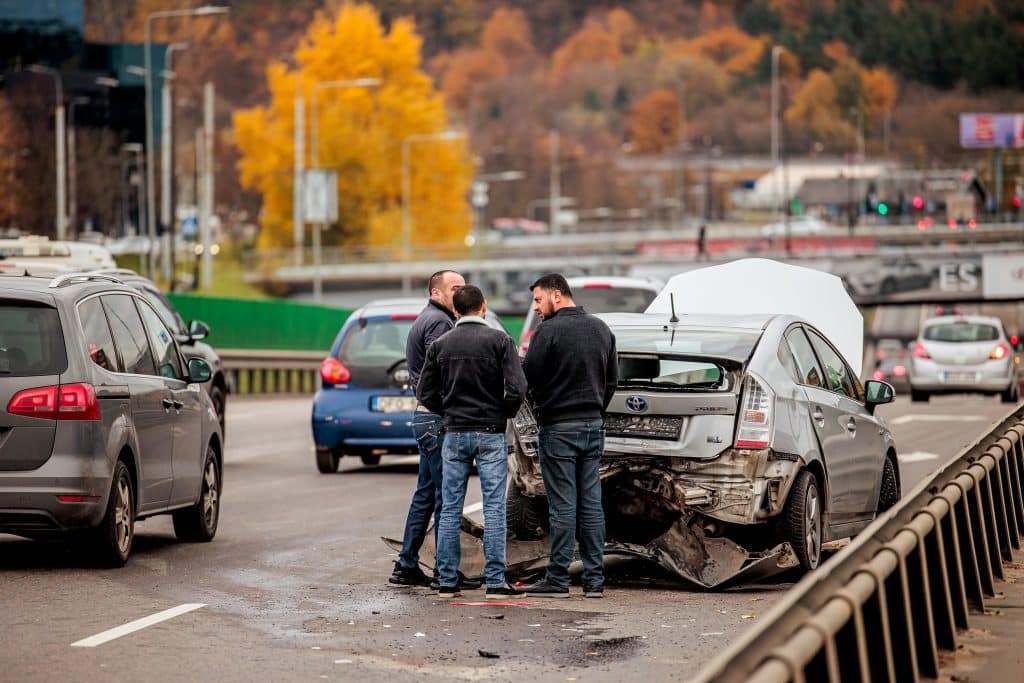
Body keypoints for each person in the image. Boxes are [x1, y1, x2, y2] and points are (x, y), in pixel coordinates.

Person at [418, 285, 528, 599]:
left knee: (450, 508)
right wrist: (502, 413)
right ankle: (495, 582)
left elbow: (425, 394)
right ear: (483, 307)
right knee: (494, 508)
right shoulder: (500, 341)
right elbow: (518, 387)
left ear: (455, 311)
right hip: (490, 433)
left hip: (453, 434)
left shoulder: (440, 344)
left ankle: (447, 581)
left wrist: (449, 412)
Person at [520, 273, 618, 599]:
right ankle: (594, 581)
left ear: (557, 296)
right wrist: (595, 410)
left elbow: (527, 378)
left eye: (538, 300)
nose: (536, 308)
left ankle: (558, 579)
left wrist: (542, 406)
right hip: (592, 426)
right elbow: (612, 381)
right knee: (591, 505)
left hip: (558, 429)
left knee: (562, 507)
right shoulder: (601, 329)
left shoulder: (547, 332)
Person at [388, 270, 480, 589]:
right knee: (447, 497)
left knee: (426, 494)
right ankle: (445, 571)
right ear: (436, 293)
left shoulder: (426, 318)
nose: (460, 293)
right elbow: (441, 370)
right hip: (438, 420)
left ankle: (406, 565)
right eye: (454, 288)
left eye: (462, 288)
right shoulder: (440, 323)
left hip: (425, 418)